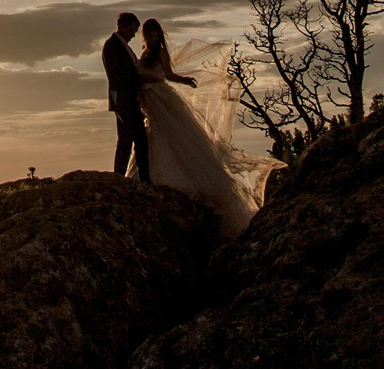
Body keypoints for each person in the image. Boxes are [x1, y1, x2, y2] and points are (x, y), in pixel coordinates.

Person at [133, 16, 271, 236]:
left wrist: (184, 80)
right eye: (148, 35)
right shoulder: (144, 52)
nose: (151, 38)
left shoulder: (160, 52)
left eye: (154, 34)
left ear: (158, 35)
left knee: (172, 134)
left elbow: (167, 75)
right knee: (154, 135)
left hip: (159, 95)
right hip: (148, 98)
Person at [103, 12, 149, 181]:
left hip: (127, 99)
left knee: (126, 140)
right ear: (122, 26)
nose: (133, 35)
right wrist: (140, 79)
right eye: (131, 31)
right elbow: (117, 75)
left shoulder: (121, 46)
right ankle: (143, 179)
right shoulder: (112, 46)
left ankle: (119, 177)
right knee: (138, 139)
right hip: (124, 100)